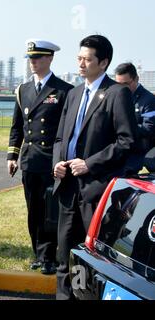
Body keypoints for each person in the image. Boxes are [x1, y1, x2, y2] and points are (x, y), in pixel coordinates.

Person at [53, 35, 138, 300]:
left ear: (103, 62)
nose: (81, 63)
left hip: (96, 190)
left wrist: (89, 164)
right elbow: (60, 137)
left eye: (87, 59)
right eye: (79, 58)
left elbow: (126, 141)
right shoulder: (74, 93)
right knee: (64, 257)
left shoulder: (117, 93)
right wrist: (57, 161)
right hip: (67, 187)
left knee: (95, 259)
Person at [7, 39, 73, 275]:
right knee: (33, 209)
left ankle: (48, 256)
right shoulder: (22, 90)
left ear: (49, 59)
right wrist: (12, 155)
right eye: (30, 59)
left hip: (52, 161)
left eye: (37, 58)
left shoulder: (64, 90)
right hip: (30, 160)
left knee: (50, 211)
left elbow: (67, 129)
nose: (32, 63)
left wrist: (62, 159)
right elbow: (17, 126)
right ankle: (38, 253)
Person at [114, 62, 155, 172]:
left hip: (137, 155)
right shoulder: (115, 98)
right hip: (117, 152)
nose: (121, 88)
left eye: (126, 84)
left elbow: (149, 128)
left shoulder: (149, 100)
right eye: (118, 84)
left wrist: (126, 126)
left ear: (136, 79)